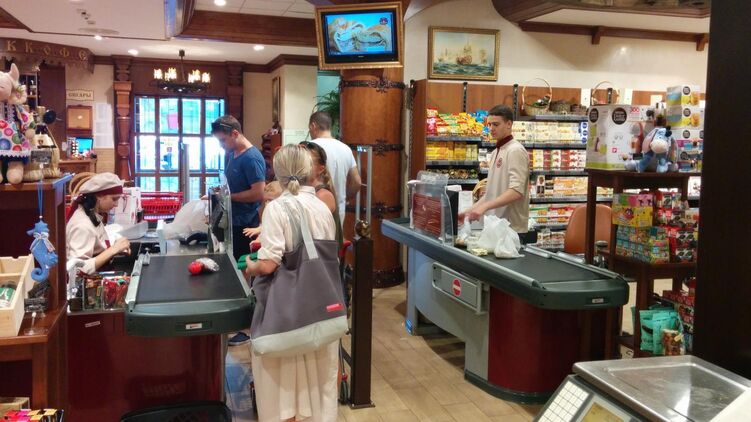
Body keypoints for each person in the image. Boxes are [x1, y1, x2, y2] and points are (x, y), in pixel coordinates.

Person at [245, 145, 339, 422]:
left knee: (283, 388)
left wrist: (251, 265)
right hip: (320, 307)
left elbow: (269, 263)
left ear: (278, 173)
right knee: (318, 382)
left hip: (286, 314)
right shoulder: (321, 206)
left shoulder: (277, 208)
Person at [212, 115, 266, 347]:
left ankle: (246, 326)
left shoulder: (252, 158)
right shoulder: (232, 153)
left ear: (235, 133)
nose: (221, 145)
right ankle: (235, 319)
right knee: (233, 270)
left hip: (246, 224)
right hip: (232, 221)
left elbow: (258, 193)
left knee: (244, 272)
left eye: (223, 140)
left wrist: (228, 197)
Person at [459, 105, 530, 233]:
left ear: (509, 124)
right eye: (489, 124)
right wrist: (469, 211)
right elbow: (491, 194)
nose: (491, 128)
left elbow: (516, 191)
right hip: (496, 226)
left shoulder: (515, 150)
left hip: (511, 229)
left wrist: (485, 206)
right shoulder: (495, 152)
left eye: (496, 124)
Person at [66, 173, 131, 275]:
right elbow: (77, 269)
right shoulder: (82, 225)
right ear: (99, 196)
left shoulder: (91, 213)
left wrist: (116, 245)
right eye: (114, 199)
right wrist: (113, 249)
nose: (116, 204)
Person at [308, 111, 361, 226]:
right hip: (338, 210)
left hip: (313, 210)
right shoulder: (345, 149)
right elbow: (357, 182)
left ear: (313, 126)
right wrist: (343, 198)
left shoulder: (309, 148)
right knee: (335, 237)